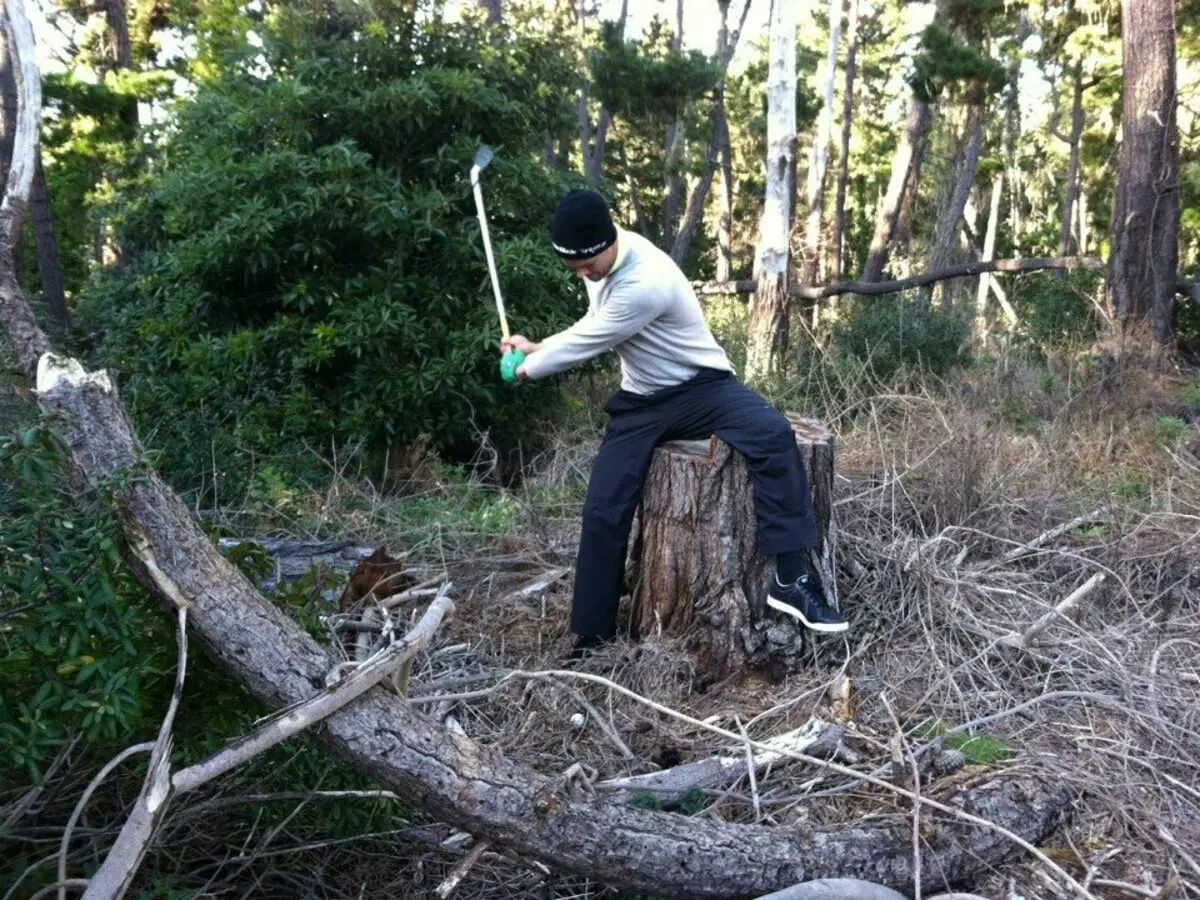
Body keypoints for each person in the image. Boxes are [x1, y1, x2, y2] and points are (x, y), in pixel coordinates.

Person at [501, 189, 847, 658]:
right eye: (575, 269)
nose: (584, 275)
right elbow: (594, 321)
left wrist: (527, 367)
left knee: (773, 434)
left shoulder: (648, 280)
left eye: (588, 265)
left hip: (704, 387)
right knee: (604, 509)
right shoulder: (602, 265)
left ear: (610, 240)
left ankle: (792, 577)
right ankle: (593, 633)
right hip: (643, 402)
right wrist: (539, 345)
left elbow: (595, 338)